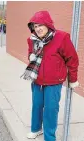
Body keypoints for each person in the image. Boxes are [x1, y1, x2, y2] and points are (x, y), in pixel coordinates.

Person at [21, 11, 79, 141]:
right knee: (36, 105)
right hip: (37, 80)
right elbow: (31, 53)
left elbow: (72, 59)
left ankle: (49, 136)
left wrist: (73, 79)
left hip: (54, 81)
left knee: (51, 109)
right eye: (35, 26)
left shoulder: (61, 37)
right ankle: (36, 129)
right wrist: (30, 55)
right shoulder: (32, 40)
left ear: (48, 24)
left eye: (40, 25)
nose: (38, 29)